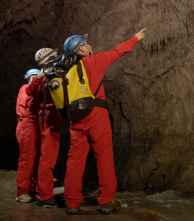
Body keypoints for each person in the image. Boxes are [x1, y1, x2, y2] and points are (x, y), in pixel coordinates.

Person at [61, 28, 146, 215]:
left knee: (75, 160)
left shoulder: (65, 70)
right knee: (104, 156)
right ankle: (107, 200)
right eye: (86, 44)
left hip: (75, 118)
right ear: (81, 50)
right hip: (96, 113)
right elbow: (117, 51)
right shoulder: (94, 60)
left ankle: (72, 202)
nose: (90, 45)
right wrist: (135, 38)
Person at [25, 48, 62, 208]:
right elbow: (30, 91)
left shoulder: (47, 73)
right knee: (48, 156)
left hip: (50, 115)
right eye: (54, 56)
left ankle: (43, 191)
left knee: (47, 155)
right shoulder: (46, 74)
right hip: (49, 115)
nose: (57, 58)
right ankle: (45, 195)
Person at [15, 69, 41, 203]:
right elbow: (29, 106)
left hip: (33, 125)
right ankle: (22, 191)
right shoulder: (26, 88)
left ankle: (31, 190)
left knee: (35, 159)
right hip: (27, 124)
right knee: (27, 158)